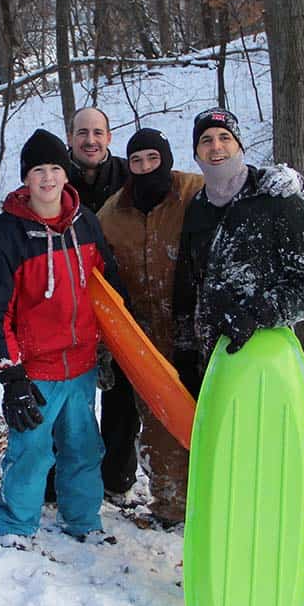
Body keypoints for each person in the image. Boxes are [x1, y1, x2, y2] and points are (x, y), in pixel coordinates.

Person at [0, 129, 123, 545]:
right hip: (35, 369)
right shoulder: (8, 234)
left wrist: (112, 345)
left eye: (55, 168)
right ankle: (16, 525)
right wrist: (11, 375)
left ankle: (83, 521)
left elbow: (108, 289)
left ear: (66, 174)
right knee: (31, 453)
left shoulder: (86, 223)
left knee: (82, 450)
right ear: (26, 178)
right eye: (38, 170)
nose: (48, 178)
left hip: (81, 366)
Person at [173, 107, 304, 398]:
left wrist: (257, 313)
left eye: (225, 137)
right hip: (212, 362)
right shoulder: (197, 207)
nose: (216, 146)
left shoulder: (274, 197)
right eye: (206, 140)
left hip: (266, 356)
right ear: (197, 152)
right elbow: (187, 285)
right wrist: (184, 350)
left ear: (239, 145)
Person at [96, 128, 204, 528]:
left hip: (196, 333)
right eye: (137, 161)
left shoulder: (194, 191)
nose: (144, 168)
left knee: (206, 421)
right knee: (159, 426)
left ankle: (215, 502)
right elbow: (96, 277)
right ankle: (171, 508)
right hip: (145, 340)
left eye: (152, 160)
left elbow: (240, 191)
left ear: (166, 159)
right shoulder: (112, 212)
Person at [63, 106, 138, 499]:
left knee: (121, 396)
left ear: (109, 136)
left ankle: (116, 478)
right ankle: (60, 478)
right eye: (82, 133)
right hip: (66, 304)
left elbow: (180, 189)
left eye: (98, 132)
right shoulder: (54, 176)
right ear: (70, 138)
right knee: (67, 395)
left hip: (119, 299)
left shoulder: (130, 177)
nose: (90, 140)